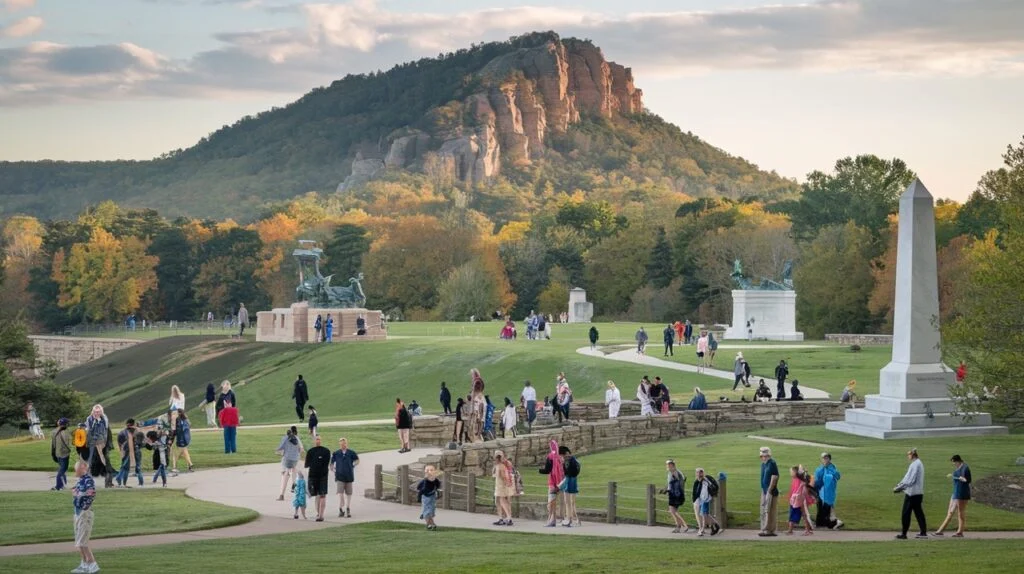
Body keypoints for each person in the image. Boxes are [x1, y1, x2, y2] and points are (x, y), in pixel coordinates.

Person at [71, 459, 99, 573]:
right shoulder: (80, 480)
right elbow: (75, 492)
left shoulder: (88, 480)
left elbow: (91, 494)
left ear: (83, 467)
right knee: (79, 541)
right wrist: (76, 493)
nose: (75, 471)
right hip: (77, 513)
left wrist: (84, 508)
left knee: (83, 541)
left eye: (76, 469)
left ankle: (92, 564)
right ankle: (84, 564)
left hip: (84, 513)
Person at [893, 448, 927, 539]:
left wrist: (901, 488)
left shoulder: (916, 465)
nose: (908, 456)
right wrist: (900, 485)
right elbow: (907, 477)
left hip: (912, 493)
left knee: (905, 513)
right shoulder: (917, 463)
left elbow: (911, 480)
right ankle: (923, 533)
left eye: (909, 454)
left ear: (913, 455)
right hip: (917, 493)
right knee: (919, 513)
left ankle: (904, 534)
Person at [934, 454, 971, 537]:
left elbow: (968, 480)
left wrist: (963, 479)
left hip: (962, 493)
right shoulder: (959, 469)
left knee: (960, 513)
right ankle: (940, 531)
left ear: (958, 461)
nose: (953, 464)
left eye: (954, 462)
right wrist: (953, 476)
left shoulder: (965, 468)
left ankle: (960, 532)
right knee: (950, 512)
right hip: (956, 492)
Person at [813, 452, 844, 529]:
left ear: (829, 459)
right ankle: (820, 523)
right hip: (820, 491)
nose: (824, 460)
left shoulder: (833, 468)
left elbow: (838, 476)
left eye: (826, 458)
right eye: (823, 458)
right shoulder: (820, 468)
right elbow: (817, 477)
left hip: (829, 492)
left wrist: (829, 468)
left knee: (826, 509)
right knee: (819, 508)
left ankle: (828, 523)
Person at [304, 435, 332, 522]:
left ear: (321, 440)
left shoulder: (326, 451)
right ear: (314, 441)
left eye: (319, 439)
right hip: (313, 476)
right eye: (316, 439)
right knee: (316, 495)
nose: (318, 441)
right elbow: (306, 465)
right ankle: (318, 512)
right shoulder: (310, 452)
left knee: (322, 495)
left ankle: (321, 515)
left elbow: (326, 463)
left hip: (323, 476)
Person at [331, 437, 359, 518]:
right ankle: (341, 508)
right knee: (340, 493)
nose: (343, 445)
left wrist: (353, 465)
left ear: (347, 443)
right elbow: (332, 463)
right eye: (341, 443)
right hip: (339, 476)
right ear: (339, 444)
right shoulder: (336, 453)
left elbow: (357, 460)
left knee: (349, 493)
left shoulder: (351, 452)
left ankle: (347, 508)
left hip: (349, 476)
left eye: (344, 443)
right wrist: (332, 468)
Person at [539, 439, 565, 527]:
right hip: (560, 483)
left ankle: (552, 520)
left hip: (552, 483)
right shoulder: (560, 458)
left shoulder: (550, 456)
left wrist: (539, 470)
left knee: (551, 502)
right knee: (556, 502)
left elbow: (547, 470)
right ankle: (556, 519)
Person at [276, 427, 304, 501]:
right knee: (294, 468)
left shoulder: (285, 438)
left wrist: (278, 451)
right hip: (295, 459)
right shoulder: (297, 438)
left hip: (287, 459)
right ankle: (294, 483)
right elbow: (301, 449)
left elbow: (280, 448)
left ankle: (281, 495)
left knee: (286, 473)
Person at [662, 459, 689, 533]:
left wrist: (668, 490)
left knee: (673, 510)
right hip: (674, 494)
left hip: (676, 494)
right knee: (673, 511)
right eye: (667, 465)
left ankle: (684, 526)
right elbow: (670, 484)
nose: (667, 466)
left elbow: (678, 483)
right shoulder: (671, 473)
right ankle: (679, 526)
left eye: (669, 465)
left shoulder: (675, 472)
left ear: (673, 465)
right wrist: (665, 489)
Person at [114, 419, 143, 488]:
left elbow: (119, 442)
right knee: (136, 467)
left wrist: (121, 450)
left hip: (126, 450)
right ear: (133, 424)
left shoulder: (122, 432)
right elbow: (140, 442)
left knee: (125, 467)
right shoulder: (137, 431)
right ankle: (140, 483)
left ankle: (123, 482)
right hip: (134, 450)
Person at [758, 446, 780, 537]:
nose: (764, 457)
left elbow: (775, 477)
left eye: (766, 456)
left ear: (769, 455)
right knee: (763, 510)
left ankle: (770, 530)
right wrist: (764, 490)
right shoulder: (763, 464)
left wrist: (769, 490)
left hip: (771, 491)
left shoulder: (772, 463)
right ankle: (764, 528)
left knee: (770, 511)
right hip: (764, 490)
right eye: (762, 456)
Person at [692, 467, 721, 536]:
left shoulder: (705, 481)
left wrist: (704, 500)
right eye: (698, 472)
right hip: (703, 500)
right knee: (705, 514)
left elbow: (704, 493)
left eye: (700, 472)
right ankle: (714, 526)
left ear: (703, 473)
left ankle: (704, 529)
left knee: (704, 514)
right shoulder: (698, 481)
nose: (699, 474)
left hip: (705, 500)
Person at [787, 465, 814, 536]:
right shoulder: (795, 480)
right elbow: (793, 490)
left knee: (805, 515)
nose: (790, 473)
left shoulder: (802, 482)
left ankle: (808, 530)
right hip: (795, 500)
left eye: (792, 472)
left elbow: (803, 492)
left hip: (802, 500)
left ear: (796, 473)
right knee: (793, 513)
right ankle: (790, 530)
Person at [560, 446, 581, 527]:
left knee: (567, 502)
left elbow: (566, 473)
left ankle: (569, 519)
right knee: (572, 502)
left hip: (568, 482)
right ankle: (577, 519)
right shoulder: (574, 459)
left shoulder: (566, 461)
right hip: (574, 481)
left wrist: (562, 464)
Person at [493, 450, 515, 526]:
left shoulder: (501, 465)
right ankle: (502, 518)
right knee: (499, 502)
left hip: (502, 486)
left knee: (502, 502)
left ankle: (508, 518)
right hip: (502, 485)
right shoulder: (501, 464)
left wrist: (507, 483)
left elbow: (503, 476)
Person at [417, 465, 442, 530]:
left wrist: (437, 492)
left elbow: (437, 486)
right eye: (427, 470)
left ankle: (429, 521)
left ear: (435, 471)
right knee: (427, 511)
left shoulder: (436, 480)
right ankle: (430, 524)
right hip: (426, 497)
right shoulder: (424, 481)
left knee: (431, 511)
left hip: (432, 497)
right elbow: (419, 488)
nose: (429, 471)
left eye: (431, 470)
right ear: (425, 472)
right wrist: (419, 498)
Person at [51, 418, 73, 491]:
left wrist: (53, 454)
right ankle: (58, 486)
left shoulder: (54, 432)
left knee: (62, 469)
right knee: (62, 470)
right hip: (64, 454)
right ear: (66, 424)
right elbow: (68, 444)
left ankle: (62, 485)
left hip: (57, 454)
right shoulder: (66, 433)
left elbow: (53, 445)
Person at [171, 410, 193, 475]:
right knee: (184, 452)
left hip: (182, 439)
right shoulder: (185, 419)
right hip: (184, 439)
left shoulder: (179, 419)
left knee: (176, 454)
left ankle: (175, 467)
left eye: (177, 413)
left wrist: (172, 435)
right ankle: (190, 465)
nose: (176, 414)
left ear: (180, 413)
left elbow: (178, 429)